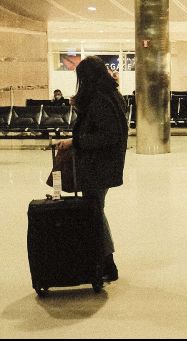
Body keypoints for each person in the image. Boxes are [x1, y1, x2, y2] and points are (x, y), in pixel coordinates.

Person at [54, 56, 128, 283]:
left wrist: (77, 142)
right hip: (103, 164)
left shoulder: (100, 99)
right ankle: (102, 261)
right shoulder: (108, 95)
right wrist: (72, 141)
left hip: (98, 166)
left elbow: (107, 135)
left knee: (94, 212)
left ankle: (107, 263)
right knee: (95, 210)